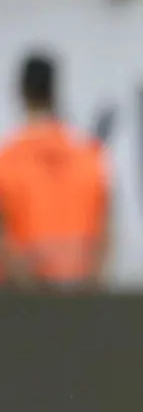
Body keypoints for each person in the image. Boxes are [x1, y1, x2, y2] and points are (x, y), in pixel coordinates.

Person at [0, 53, 110, 291]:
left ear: (22, 92)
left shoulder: (6, 162)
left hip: (21, 302)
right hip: (81, 297)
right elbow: (104, 236)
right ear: (54, 92)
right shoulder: (89, 157)